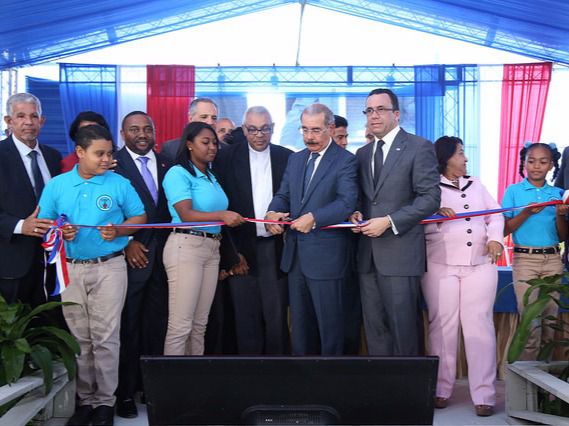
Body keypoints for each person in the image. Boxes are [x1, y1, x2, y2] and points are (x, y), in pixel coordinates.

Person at [38, 124, 146, 426]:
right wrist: (60, 228)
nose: (106, 159)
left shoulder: (119, 183)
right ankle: (85, 400)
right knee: (80, 339)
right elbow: (44, 220)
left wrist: (121, 230)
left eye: (109, 153)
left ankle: (104, 403)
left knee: (106, 339)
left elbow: (140, 216)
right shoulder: (57, 185)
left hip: (109, 267)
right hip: (71, 268)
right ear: (80, 153)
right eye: (99, 154)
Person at [350, 88, 440, 356]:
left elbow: (430, 198)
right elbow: (365, 199)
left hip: (400, 254)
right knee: (375, 330)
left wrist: (389, 221)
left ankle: (410, 394)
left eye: (380, 109)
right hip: (367, 256)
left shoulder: (418, 146)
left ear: (396, 114)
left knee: (404, 330)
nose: (373, 116)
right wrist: (354, 214)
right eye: (369, 110)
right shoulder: (362, 153)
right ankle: (382, 392)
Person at [266, 103, 358, 355]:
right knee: (301, 331)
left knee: (330, 331)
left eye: (316, 130)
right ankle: (303, 387)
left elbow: (346, 202)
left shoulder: (345, 161)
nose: (309, 137)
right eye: (305, 130)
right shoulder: (295, 159)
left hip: (327, 260)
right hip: (295, 259)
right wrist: (272, 212)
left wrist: (314, 217)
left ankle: (331, 388)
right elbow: (283, 194)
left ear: (330, 129)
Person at [422, 136, 503, 417]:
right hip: (440, 265)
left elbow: (496, 216)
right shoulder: (429, 188)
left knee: (479, 327)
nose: (465, 158)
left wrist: (495, 239)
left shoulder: (477, 185)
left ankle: (484, 395)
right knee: (442, 328)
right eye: (459, 153)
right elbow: (416, 222)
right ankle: (441, 390)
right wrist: (435, 215)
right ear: (445, 158)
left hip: (479, 265)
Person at [214, 106, 292, 354]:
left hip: (276, 248)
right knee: (245, 320)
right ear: (244, 129)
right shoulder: (225, 158)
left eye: (265, 129)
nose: (259, 135)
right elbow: (219, 206)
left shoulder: (288, 157)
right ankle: (249, 380)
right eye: (252, 129)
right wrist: (231, 254)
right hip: (240, 251)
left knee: (276, 317)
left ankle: (279, 379)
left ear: (273, 128)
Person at [162, 121, 244, 356]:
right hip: (186, 246)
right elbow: (185, 214)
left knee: (200, 325)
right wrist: (222, 215)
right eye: (205, 142)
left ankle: (193, 384)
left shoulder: (210, 175)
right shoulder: (178, 173)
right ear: (189, 144)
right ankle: (172, 389)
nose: (212, 148)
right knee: (180, 326)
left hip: (211, 248)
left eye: (215, 143)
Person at [113, 111, 171, 419]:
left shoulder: (167, 163)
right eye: (134, 129)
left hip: (164, 257)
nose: (142, 134)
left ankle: (151, 387)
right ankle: (125, 392)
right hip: (131, 255)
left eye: (147, 128)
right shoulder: (112, 165)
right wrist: (127, 242)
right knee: (129, 326)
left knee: (157, 324)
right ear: (123, 134)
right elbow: (104, 214)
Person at [502, 142, 567, 360]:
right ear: (524, 163)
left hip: (552, 260)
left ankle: (546, 390)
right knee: (530, 323)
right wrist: (526, 213)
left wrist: (559, 214)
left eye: (543, 161)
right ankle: (528, 385)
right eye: (531, 161)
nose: (536, 166)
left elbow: (563, 236)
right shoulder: (513, 191)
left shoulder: (558, 194)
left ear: (551, 166)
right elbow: (504, 229)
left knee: (550, 323)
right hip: (524, 260)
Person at [0, 93, 61, 306]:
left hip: (51, 261)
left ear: (42, 121)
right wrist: (20, 225)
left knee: (48, 327)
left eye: (34, 116)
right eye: (21, 116)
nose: (28, 122)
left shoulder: (53, 156)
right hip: (11, 262)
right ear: (9, 121)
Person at [331, 113, 362, 354]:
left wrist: (355, 211)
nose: (344, 142)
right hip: (323, 255)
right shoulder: (304, 163)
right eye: (339, 137)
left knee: (349, 314)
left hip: (352, 251)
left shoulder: (351, 162)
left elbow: (357, 199)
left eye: (346, 137)